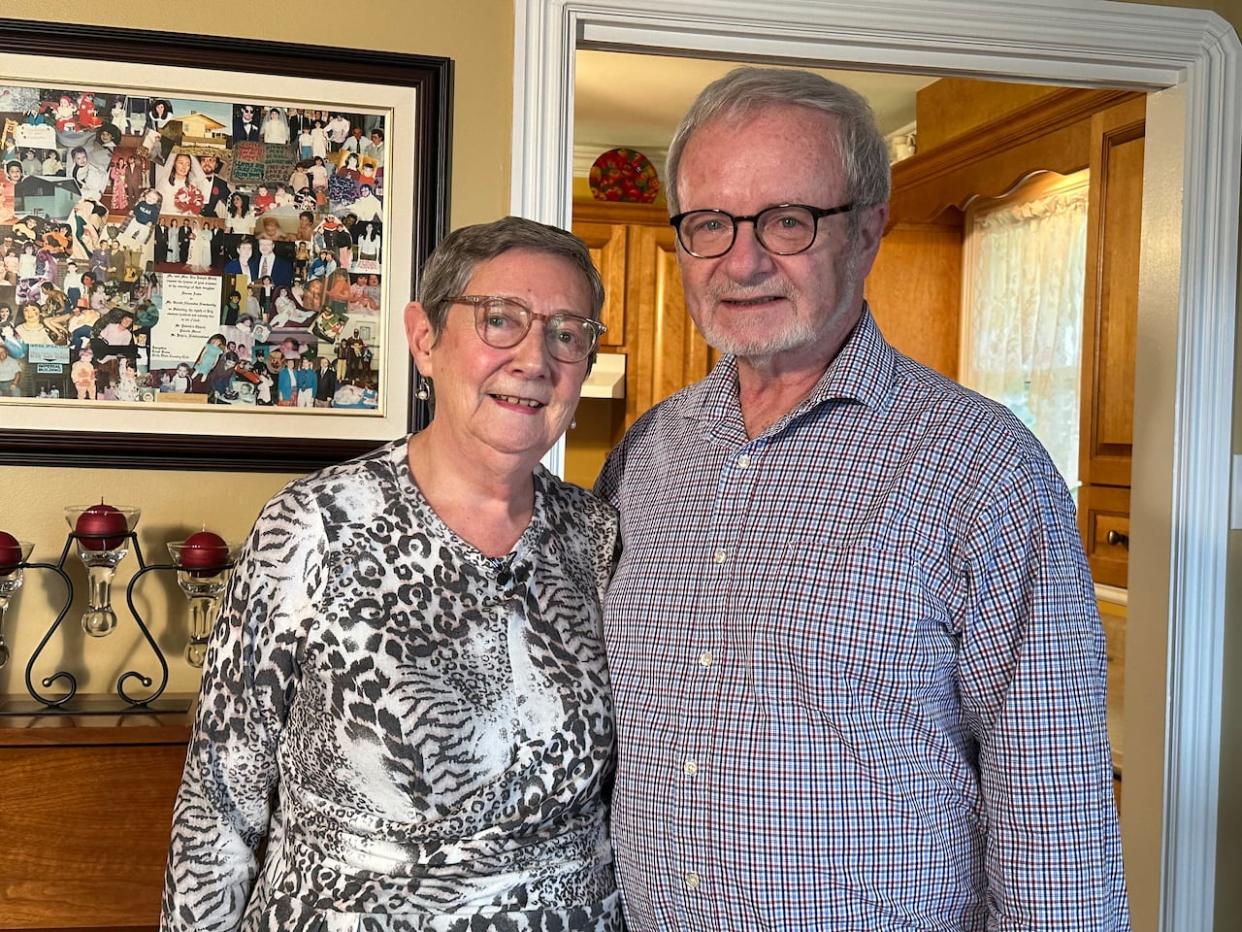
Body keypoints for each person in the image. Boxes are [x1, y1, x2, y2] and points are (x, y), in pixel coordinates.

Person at [595, 67, 1128, 930]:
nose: (743, 260)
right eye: (709, 224)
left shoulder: (983, 469)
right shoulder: (646, 456)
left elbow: (1055, 806)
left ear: (868, 229)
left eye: (787, 220)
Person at [161, 215, 618, 931]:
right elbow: (221, 796)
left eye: (567, 333)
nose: (536, 358)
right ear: (425, 338)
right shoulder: (313, 524)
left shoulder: (595, 535)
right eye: (501, 320)